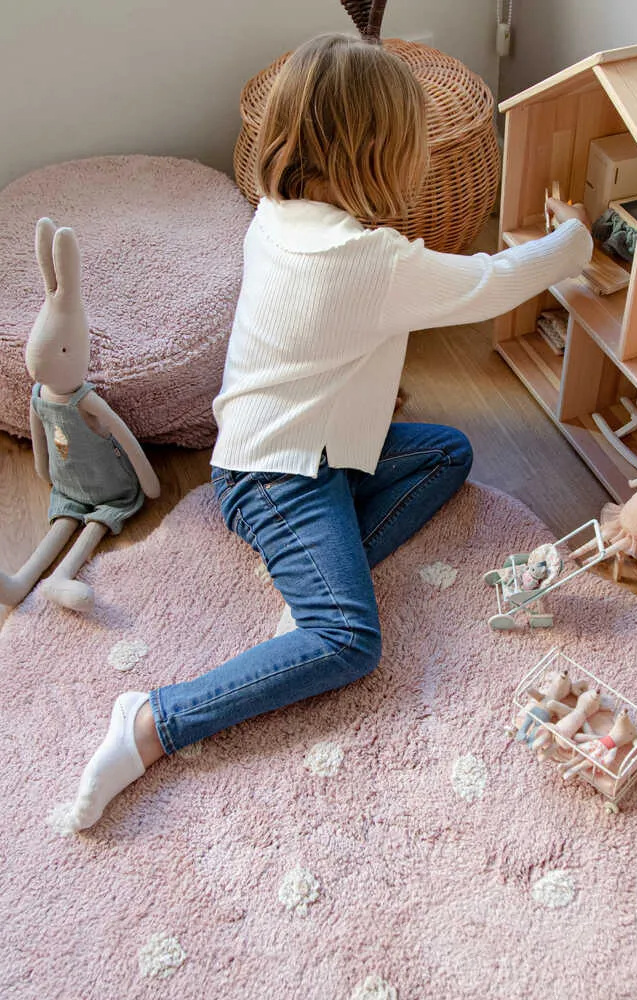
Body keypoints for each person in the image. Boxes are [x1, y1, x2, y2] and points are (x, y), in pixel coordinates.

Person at [60, 33, 592, 832]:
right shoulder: (371, 260)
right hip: (275, 478)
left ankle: (311, 577)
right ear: (380, 152)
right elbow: (490, 283)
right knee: (348, 642)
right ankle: (151, 721)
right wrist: (576, 238)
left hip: (295, 449)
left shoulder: (279, 213)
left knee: (446, 452)